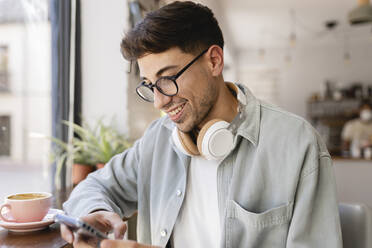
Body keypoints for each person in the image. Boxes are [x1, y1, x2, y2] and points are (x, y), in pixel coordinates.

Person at [61, 1, 342, 247]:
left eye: (167, 79)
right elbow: (93, 187)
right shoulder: (158, 139)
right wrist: (96, 210)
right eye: (149, 85)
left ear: (214, 61)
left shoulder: (297, 144)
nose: (159, 102)